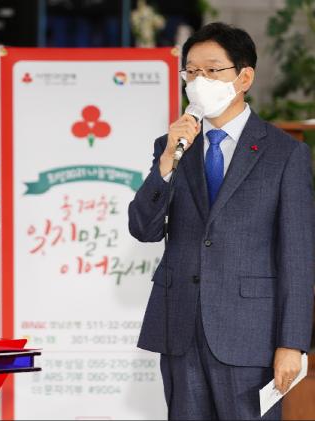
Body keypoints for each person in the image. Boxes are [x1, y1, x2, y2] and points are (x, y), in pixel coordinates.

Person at [128, 22, 314, 420]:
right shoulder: (173, 146)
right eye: (192, 72)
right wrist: (166, 165)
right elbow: (143, 229)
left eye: (212, 70)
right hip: (180, 328)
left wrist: (292, 343)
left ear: (244, 77)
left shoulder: (285, 154)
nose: (200, 82)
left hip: (250, 336)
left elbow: (298, 258)